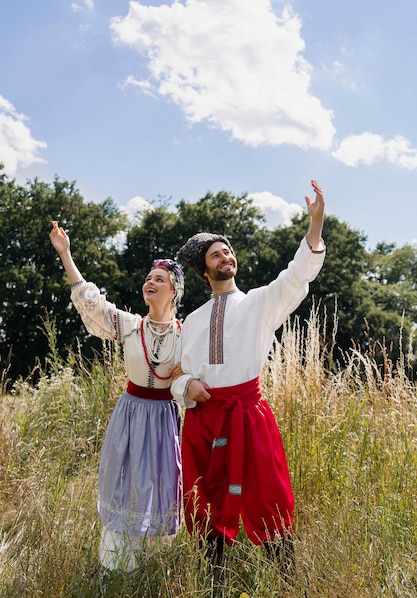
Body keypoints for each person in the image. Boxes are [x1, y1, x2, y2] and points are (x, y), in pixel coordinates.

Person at [171, 179, 326, 572]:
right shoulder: (191, 321)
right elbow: (177, 375)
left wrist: (315, 225)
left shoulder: (259, 303)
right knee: (205, 502)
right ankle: (211, 592)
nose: (225, 257)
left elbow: (296, 277)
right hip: (204, 421)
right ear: (204, 269)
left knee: (268, 497)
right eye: (216, 255)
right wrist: (186, 386)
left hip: (248, 415)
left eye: (228, 252)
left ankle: (290, 586)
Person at [49, 221, 184, 571]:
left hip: (165, 420)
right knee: (125, 484)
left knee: (160, 484)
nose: (150, 283)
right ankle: (118, 568)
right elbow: (90, 303)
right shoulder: (129, 324)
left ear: (174, 292)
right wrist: (65, 253)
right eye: (149, 278)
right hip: (131, 415)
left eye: (160, 280)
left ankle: (155, 566)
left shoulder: (188, 334)